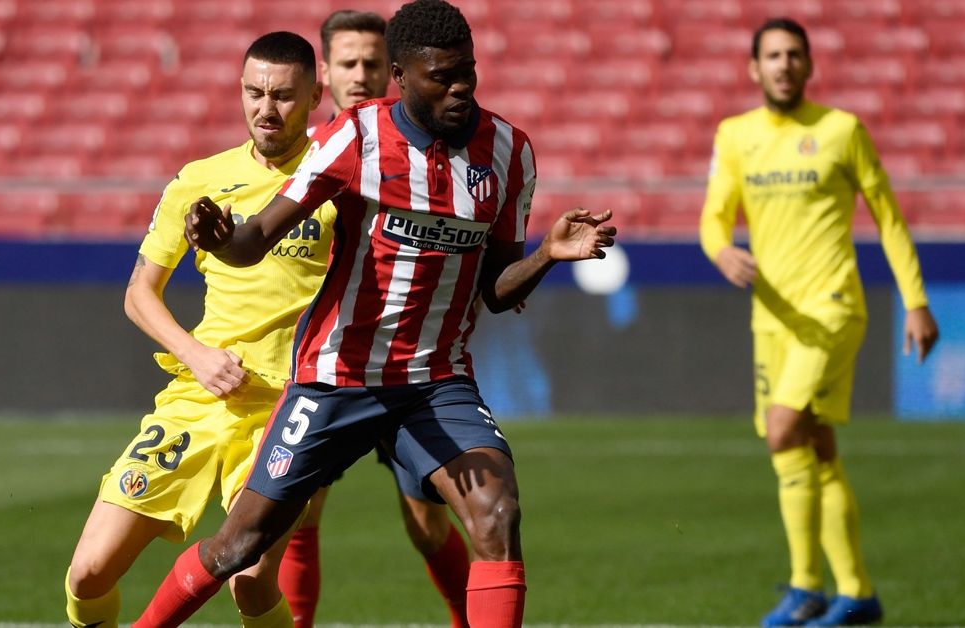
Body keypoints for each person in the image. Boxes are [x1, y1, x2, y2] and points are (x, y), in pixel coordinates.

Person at [133, 1, 616, 626]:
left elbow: (494, 289)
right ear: (401, 76)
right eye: (442, 76)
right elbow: (256, 241)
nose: (461, 87)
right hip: (338, 376)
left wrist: (549, 254)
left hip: (435, 382)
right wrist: (222, 237)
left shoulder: (508, 152)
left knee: (497, 514)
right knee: (239, 547)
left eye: (468, 71)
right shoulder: (355, 138)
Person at [64, 31, 333, 627]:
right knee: (88, 574)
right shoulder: (199, 179)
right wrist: (197, 355)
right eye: (254, 92)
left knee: (250, 579)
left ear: (317, 96)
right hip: (201, 395)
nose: (267, 108)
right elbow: (139, 294)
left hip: (292, 406)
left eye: (285, 95)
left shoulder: (334, 182)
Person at [700, 18, 940, 627]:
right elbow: (713, 216)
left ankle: (806, 586)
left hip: (831, 308)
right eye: (772, 56)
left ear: (809, 66)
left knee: (783, 431)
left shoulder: (841, 131)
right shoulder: (735, 136)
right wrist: (721, 250)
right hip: (773, 318)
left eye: (793, 55)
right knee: (815, 449)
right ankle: (857, 592)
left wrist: (915, 300)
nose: (783, 65)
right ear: (754, 69)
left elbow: (887, 215)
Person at [278, 9, 472, 628]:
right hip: (328, 364)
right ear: (324, 75)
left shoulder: (412, 154)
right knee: (299, 511)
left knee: (426, 523)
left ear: (393, 70)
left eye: (370, 64)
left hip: (409, 364)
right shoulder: (301, 160)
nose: (360, 76)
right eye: (347, 63)